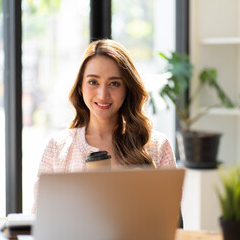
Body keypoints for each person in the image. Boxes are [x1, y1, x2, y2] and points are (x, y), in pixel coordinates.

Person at [32, 39, 176, 213]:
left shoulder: (156, 146)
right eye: (93, 82)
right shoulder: (58, 147)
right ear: (80, 87)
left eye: (114, 83)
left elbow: (170, 219)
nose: (103, 94)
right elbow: (40, 218)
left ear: (127, 89)